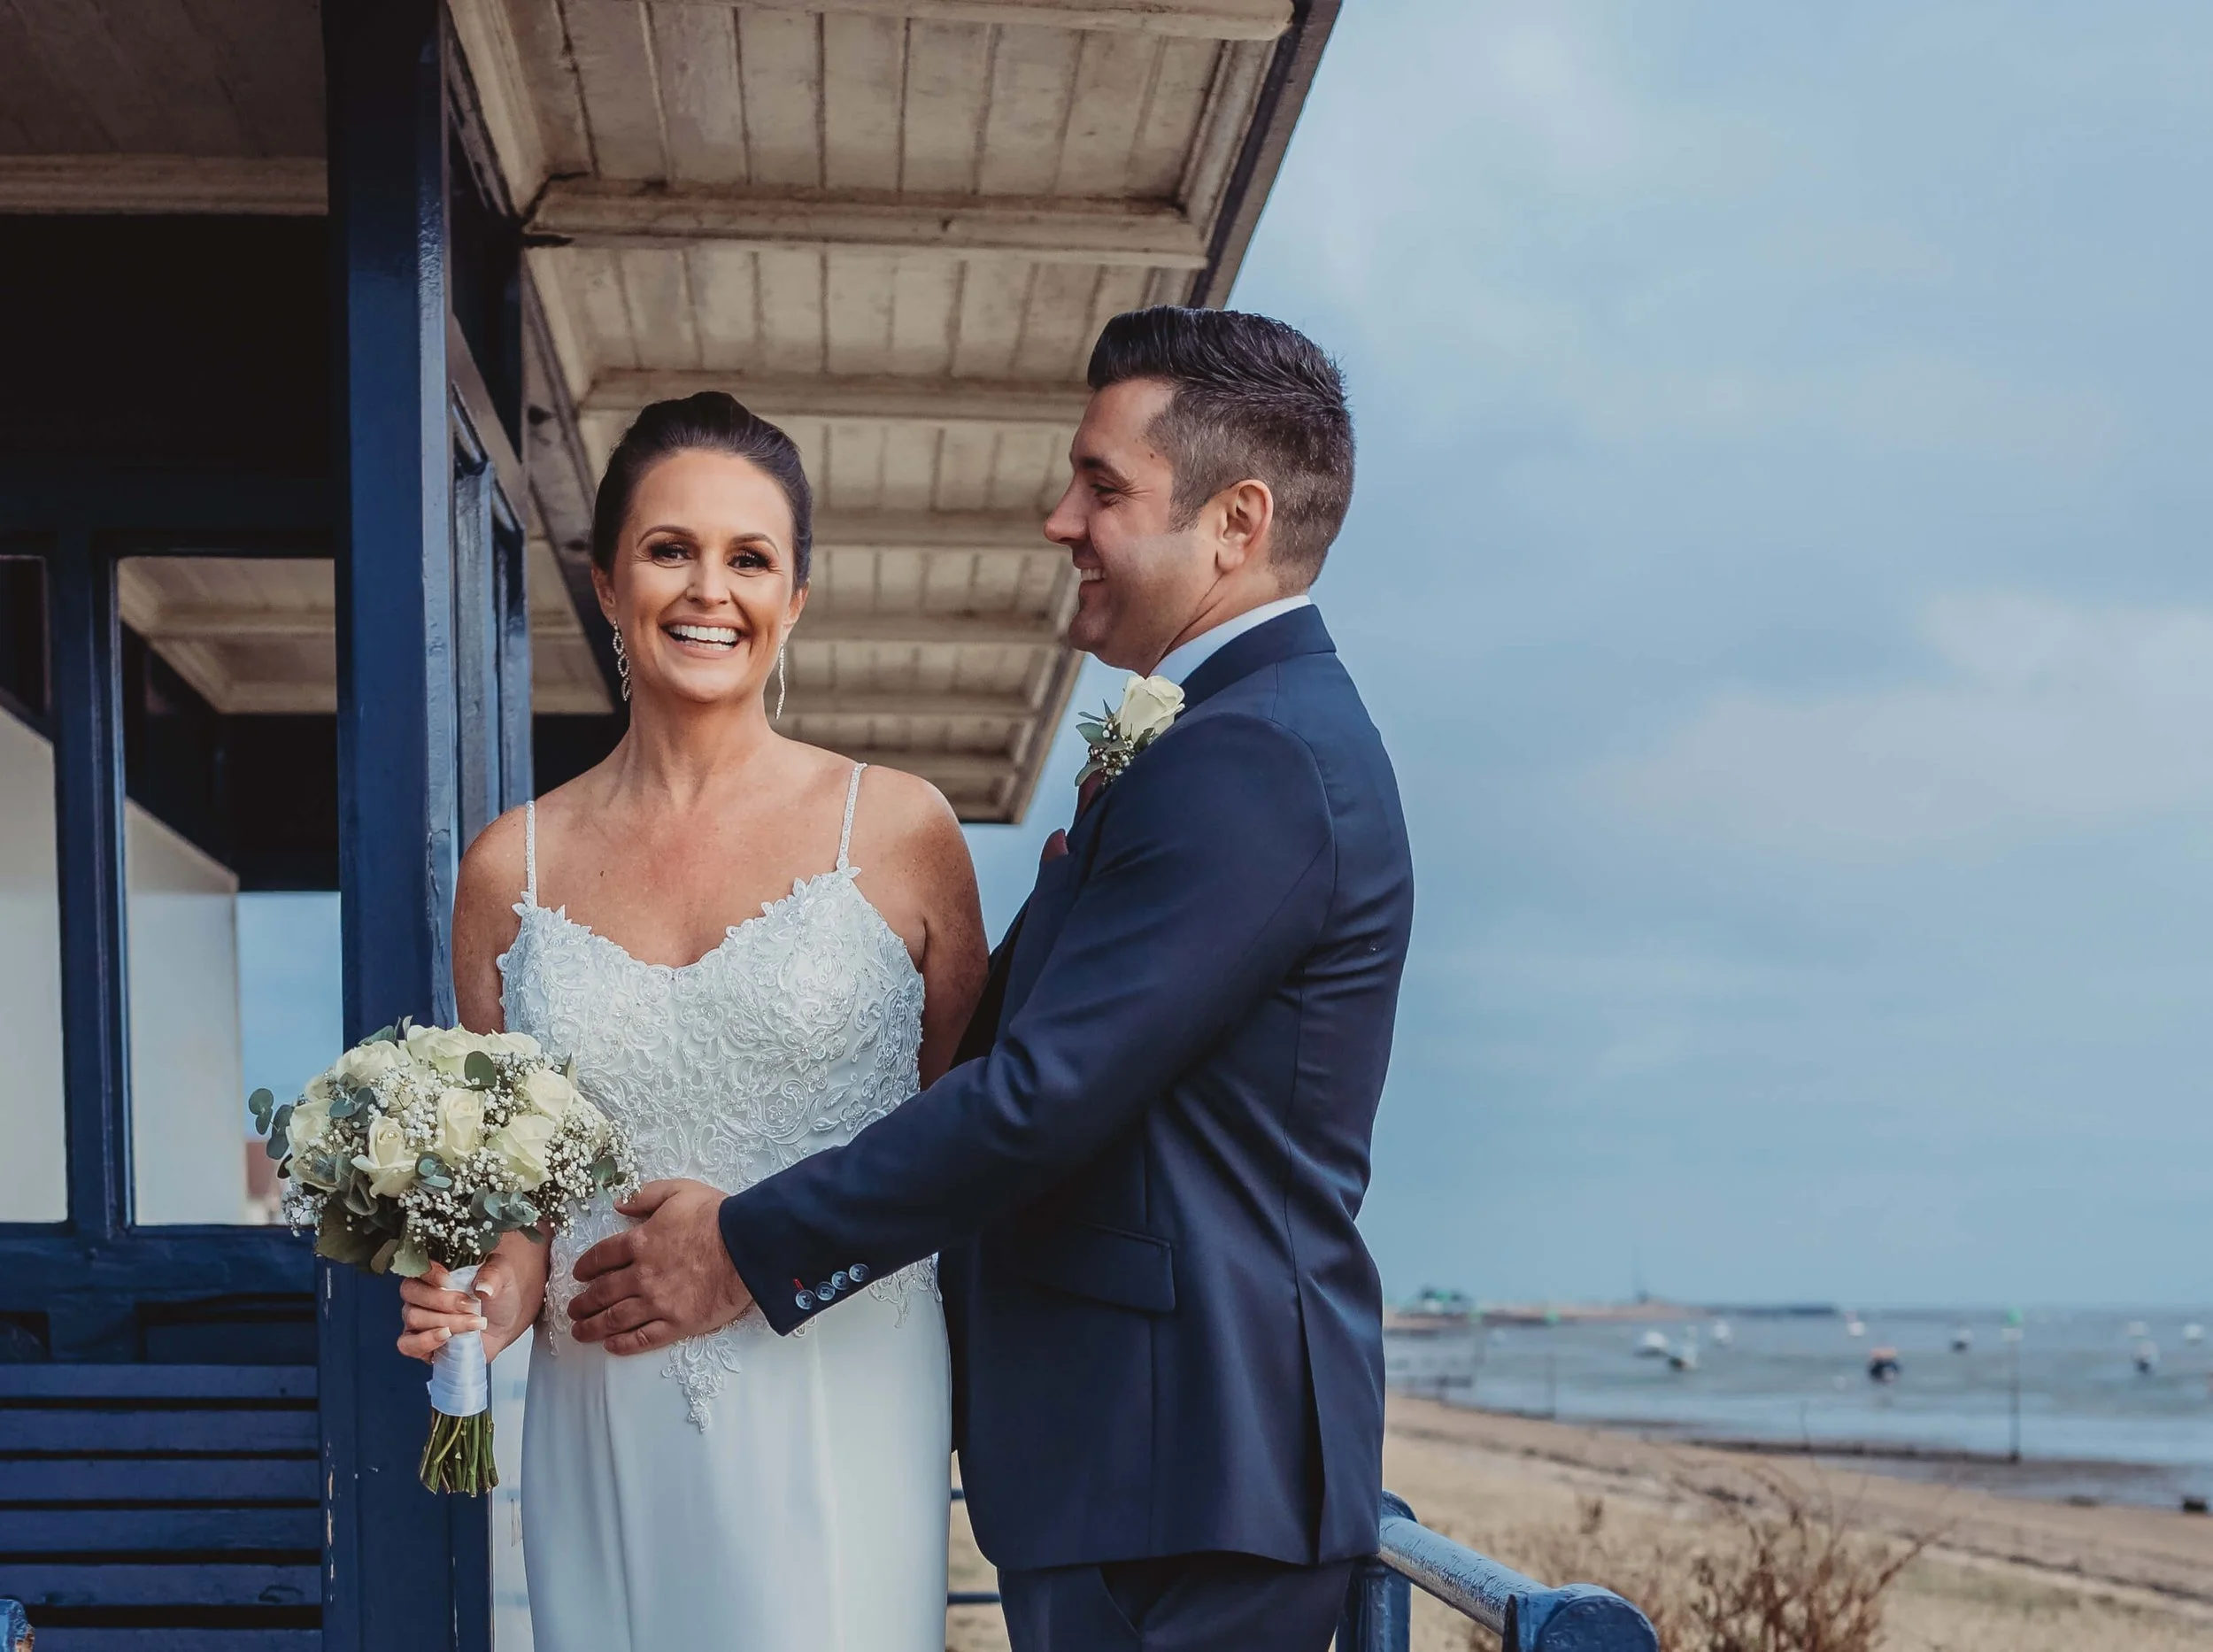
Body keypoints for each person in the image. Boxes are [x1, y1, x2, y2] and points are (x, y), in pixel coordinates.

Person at [565, 307, 1415, 1652]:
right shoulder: (1217, 735)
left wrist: (744, 1244)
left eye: (1102, 485)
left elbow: (1036, 1094)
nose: (1058, 518)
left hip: (1190, 1471)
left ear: (1235, 522)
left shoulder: (1257, 760)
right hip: (1135, 1467)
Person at [393, 392, 989, 1651]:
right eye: (671, 549)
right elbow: (527, 1207)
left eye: (749, 557)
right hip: (604, 1402)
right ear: (608, 584)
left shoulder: (899, 831)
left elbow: (962, 1139)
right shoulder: (515, 868)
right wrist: (487, 1294)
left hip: (843, 1390)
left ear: (796, 598)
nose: (707, 589)